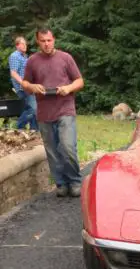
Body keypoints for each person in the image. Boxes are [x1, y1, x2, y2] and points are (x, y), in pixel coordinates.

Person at [22, 28, 84, 197]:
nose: (46, 44)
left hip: (65, 108)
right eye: (43, 41)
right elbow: (25, 84)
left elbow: (79, 81)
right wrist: (32, 86)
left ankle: (75, 181)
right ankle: (61, 183)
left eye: (49, 40)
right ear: (38, 42)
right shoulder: (32, 61)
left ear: (54, 39)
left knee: (67, 146)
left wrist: (68, 88)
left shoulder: (66, 58)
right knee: (52, 151)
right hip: (44, 112)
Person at [8, 36, 39, 131]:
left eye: (26, 44)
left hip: (29, 86)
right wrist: (24, 84)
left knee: (28, 108)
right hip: (23, 88)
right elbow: (13, 73)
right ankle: (18, 125)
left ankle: (34, 131)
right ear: (17, 45)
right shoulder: (15, 56)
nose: (25, 46)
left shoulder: (24, 56)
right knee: (34, 109)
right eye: (23, 44)